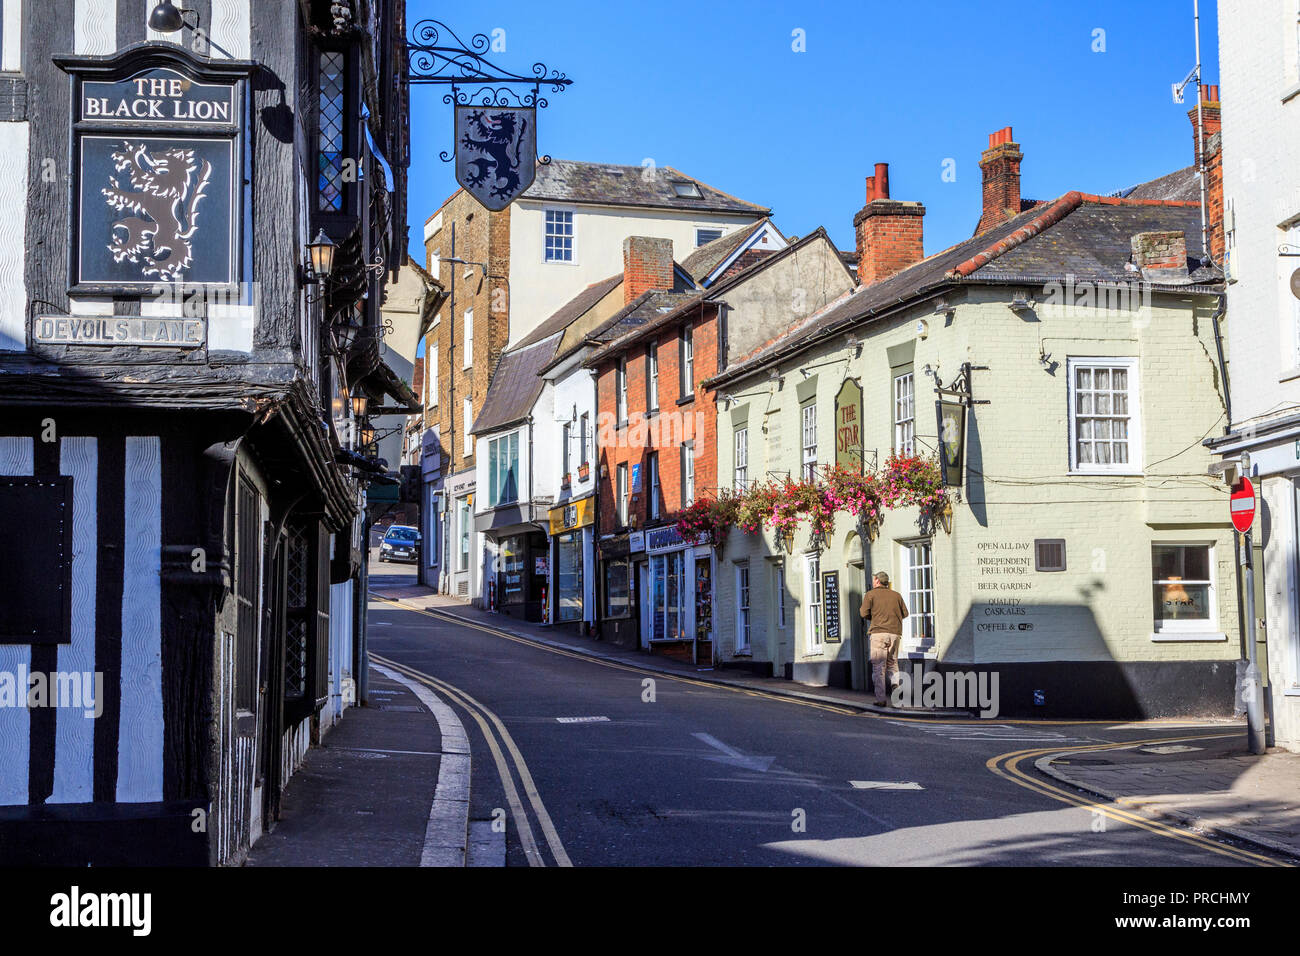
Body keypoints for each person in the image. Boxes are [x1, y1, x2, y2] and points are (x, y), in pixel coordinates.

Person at [859, 571, 909, 706]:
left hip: (878, 634)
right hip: (895, 633)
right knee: (893, 664)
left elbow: (863, 613)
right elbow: (905, 613)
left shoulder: (870, 595)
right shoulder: (896, 595)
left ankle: (881, 699)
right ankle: (897, 697)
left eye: (874, 579)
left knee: (879, 667)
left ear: (877, 581)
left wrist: (875, 618)